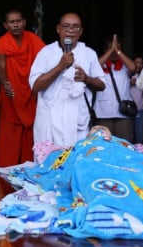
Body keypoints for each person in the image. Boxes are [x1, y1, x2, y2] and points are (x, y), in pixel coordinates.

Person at [29, 12, 105, 147]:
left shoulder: (89, 54)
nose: (70, 30)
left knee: (76, 162)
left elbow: (102, 85)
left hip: (78, 123)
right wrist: (60, 67)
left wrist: (86, 79)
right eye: (66, 26)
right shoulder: (46, 52)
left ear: (81, 31)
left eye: (75, 27)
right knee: (50, 164)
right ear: (58, 29)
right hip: (49, 122)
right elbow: (35, 86)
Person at [0, 9, 45, 167]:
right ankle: (5, 185)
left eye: (18, 21)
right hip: (11, 96)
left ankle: (28, 182)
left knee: (30, 143)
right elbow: (1, 67)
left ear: (24, 22)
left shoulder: (33, 40)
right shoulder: (1, 43)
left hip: (30, 97)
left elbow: (46, 60)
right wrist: (5, 83)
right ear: (5, 25)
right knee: (8, 145)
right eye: (11, 22)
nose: (15, 25)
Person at [93, 34, 136, 142]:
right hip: (103, 113)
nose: (114, 52)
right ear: (105, 50)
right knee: (103, 145)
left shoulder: (125, 66)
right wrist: (111, 50)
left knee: (124, 145)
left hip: (123, 113)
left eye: (117, 48)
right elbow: (94, 66)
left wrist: (118, 51)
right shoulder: (100, 65)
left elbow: (133, 67)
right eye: (110, 49)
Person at [130, 54, 143, 143]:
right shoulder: (128, 75)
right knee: (129, 135)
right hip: (128, 110)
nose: (138, 65)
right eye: (136, 63)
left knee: (140, 137)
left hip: (140, 109)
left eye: (141, 63)